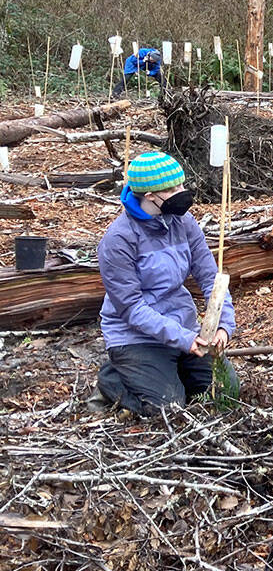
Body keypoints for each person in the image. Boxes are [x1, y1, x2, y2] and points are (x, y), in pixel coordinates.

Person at [95, 151, 237, 416]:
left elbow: (210, 278)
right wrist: (184, 339)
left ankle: (168, 374)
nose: (182, 192)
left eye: (182, 184)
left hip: (183, 329)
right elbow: (131, 309)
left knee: (226, 392)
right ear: (150, 196)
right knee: (169, 409)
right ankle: (113, 378)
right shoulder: (118, 240)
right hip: (136, 337)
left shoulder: (184, 222)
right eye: (174, 188)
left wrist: (224, 325)